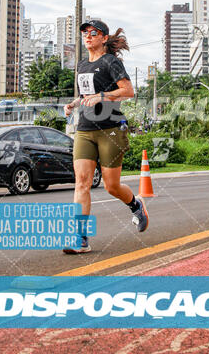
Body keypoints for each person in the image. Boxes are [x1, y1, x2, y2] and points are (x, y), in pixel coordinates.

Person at [63, 20, 149, 254]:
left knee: (112, 186)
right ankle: (80, 238)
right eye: (84, 33)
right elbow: (86, 96)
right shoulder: (81, 65)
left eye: (93, 33)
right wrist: (73, 104)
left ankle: (136, 204)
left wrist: (102, 96)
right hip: (85, 129)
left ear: (103, 37)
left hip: (111, 129)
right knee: (82, 182)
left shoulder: (111, 62)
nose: (87, 36)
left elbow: (128, 91)